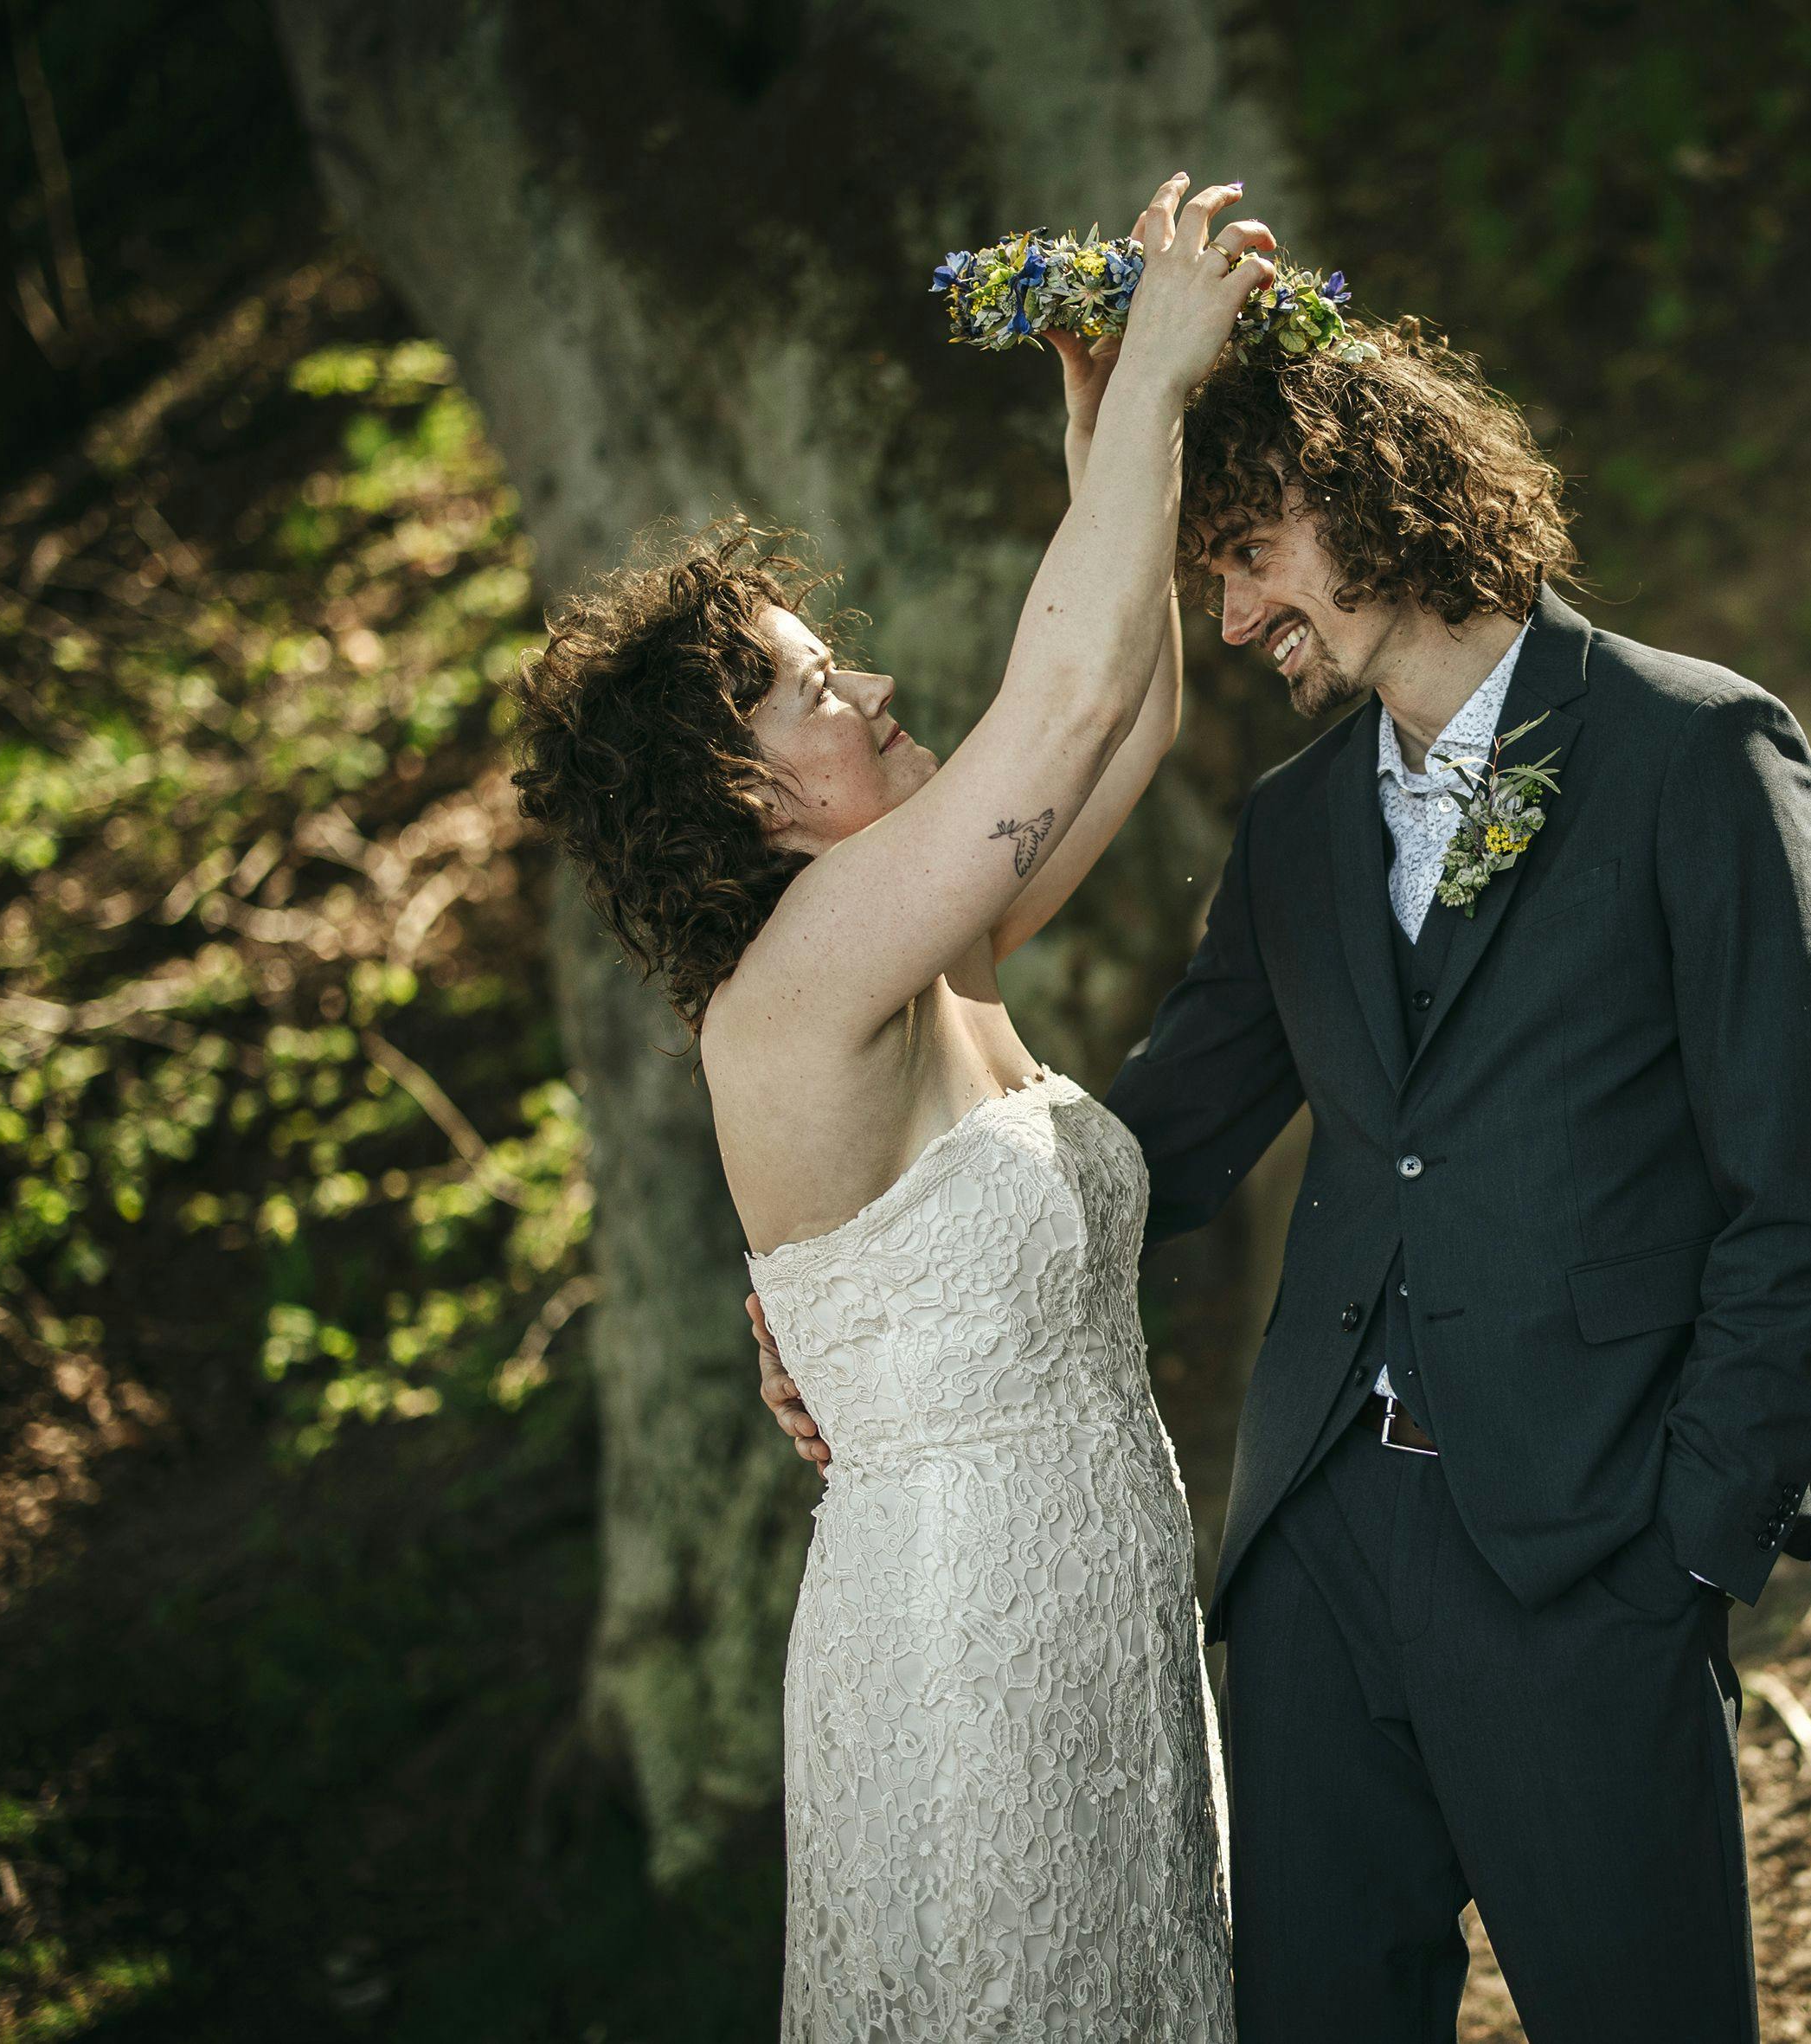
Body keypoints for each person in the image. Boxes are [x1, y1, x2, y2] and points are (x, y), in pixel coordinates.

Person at [757, 318, 1811, 2035]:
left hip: (1589, 1548)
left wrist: (1689, 1545)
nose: (1227, 618)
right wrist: (876, 1283)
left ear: (1359, 489)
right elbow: (1146, 1144)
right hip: (1313, 1562)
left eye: (1246, 556)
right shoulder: (1293, 828)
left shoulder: (1696, 752)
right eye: (1205, 575)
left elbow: (1802, 1195)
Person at [517, 173, 1272, 2043]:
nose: (864, 686)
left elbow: (1130, 709)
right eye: (806, 687)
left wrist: (1107, 441)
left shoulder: (928, 951)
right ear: (748, 799)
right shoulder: (803, 979)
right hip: (966, 1637)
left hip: (1096, 1583)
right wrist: (1164, 377)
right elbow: (1061, 688)